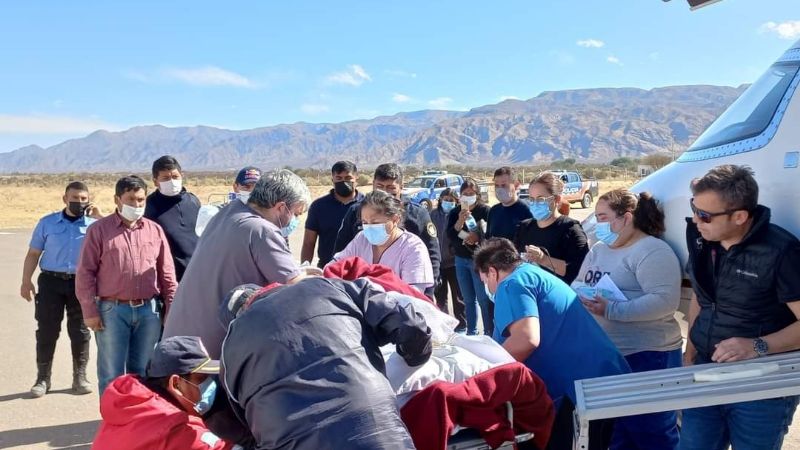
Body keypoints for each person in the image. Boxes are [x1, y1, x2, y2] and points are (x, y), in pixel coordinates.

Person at [219, 278, 432, 450]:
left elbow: (244, 423)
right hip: (379, 434)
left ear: (235, 319)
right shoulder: (327, 287)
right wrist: (415, 355)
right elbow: (410, 325)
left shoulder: (230, 349)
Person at [681, 165, 800, 450]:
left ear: (740, 216)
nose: (696, 220)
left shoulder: (782, 252)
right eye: (694, 209)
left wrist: (757, 346)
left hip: (761, 383)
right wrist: (690, 352)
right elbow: (701, 296)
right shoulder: (701, 240)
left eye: (705, 215)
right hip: (704, 372)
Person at [474, 238, 630, 450]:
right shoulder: (532, 273)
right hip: (599, 380)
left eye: (485, 281)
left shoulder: (511, 284)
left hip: (578, 389)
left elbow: (525, 339)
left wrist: (482, 375)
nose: (488, 287)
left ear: (492, 272)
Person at [163, 170, 318, 358]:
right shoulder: (262, 230)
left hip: (181, 337)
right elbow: (295, 287)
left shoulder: (229, 212)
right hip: (211, 352)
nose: (294, 221)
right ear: (281, 207)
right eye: (296, 214)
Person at [573, 189, 682, 450]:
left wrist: (611, 310)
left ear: (626, 217)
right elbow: (579, 281)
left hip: (647, 353)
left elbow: (664, 301)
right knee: (617, 431)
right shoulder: (599, 249)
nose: (597, 224)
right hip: (610, 353)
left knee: (651, 430)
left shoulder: (652, 250)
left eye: (603, 217)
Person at [76, 175, 178, 394]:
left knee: (143, 371)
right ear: (117, 200)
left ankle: (138, 422)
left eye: (141, 200)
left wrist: (171, 307)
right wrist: (89, 311)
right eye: (131, 199)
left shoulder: (154, 230)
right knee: (111, 372)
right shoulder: (99, 231)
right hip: (112, 311)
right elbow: (85, 272)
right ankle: (112, 423)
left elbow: (167, 274)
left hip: (149, 311)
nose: (137, 204)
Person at [20, 181, 102, 397]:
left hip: (81, 284)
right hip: (51, 283)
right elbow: (33, 254)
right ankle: (42, 379)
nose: (79, 202)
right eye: (74, 198)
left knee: (80, 332)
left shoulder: (94, 225)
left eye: (83, 199)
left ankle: (80, 377)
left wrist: (101, 218)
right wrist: (26, 280)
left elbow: (112, 244)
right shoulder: (47, 223)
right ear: (65, 199)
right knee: (47, 330)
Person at [92, 336, 246, 450]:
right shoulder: (175, 427)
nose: (209, 384)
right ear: (176, 383)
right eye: (201, 378)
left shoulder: (129, 405)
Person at [334, 163, 440, 296]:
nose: (385, 193)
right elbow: (342, 249)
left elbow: (432, 254)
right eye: (366, 222)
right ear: (373, 185)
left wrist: (428, 294)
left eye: (391, 188)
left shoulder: (417, 215)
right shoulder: (358, 212)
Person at [513, 171, 589, 284]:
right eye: (531, 199)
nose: (534, 203)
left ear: (556, 200)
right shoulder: (524, 227)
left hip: (559, 295)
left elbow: (580, 269)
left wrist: (544, 260)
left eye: (540, 199)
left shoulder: (570, 229)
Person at [447, 178, 492, 335]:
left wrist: (477, 238)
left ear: (477, 194)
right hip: (460, 260)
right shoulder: (455, 212)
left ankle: (488, 331)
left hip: (479, 261)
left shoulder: (485, 211)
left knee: (483, 298)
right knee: (468, 299)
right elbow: (450, 234)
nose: (467, 196)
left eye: (471, 193)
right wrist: (460, 221)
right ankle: (471, 332)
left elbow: (490, 235)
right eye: (464, 194)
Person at [145, 155, 201, 281]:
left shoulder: (193, 201)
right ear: (155, 181)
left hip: (199, 273)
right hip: (170, 279)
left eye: (175, 177)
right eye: (165, 178)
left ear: (182, 175)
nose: (172, 181)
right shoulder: (149, 206)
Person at [301, 161, 363, 268]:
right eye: (339, 178)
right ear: (332, 179)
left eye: (348, 178)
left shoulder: (367, 205)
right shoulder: (319, 206)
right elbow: (308, 243)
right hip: (328, 268)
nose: (344, 182)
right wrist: (304, 269)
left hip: (360, 269)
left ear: (356, 178)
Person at [431, 188, 466, 331]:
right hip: (437, 262)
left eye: (451, 200)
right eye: (445, 199)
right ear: (440, 199)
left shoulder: (459, 215)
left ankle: (462, 325)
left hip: (454, 262)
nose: (448, 202)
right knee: (440, 296)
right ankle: (445, 326)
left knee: (459, 297)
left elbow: (466, 234)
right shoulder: (432, 215)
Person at [486, 166, 532, 241]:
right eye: (497, 185)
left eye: (504, 185)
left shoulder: (527, 211)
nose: (499, 189)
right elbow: (488, 239)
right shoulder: (493, 211)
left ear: (516, 185)